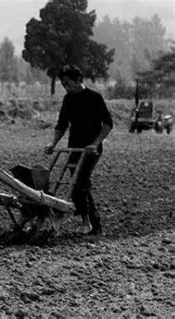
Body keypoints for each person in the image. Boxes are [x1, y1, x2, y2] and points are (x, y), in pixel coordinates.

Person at [44, 65, 113, 235]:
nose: (67, 87)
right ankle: (93, 223)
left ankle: (87, 222)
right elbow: (62, 125)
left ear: (78, 80)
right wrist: (53, 143)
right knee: (76, 183)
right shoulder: (68, 100)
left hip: (91, 149)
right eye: (64, 84)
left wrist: (95, 143)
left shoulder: (94, 98)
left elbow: (108, 124)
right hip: (74, 147)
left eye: (68, 83)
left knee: (80, 182)